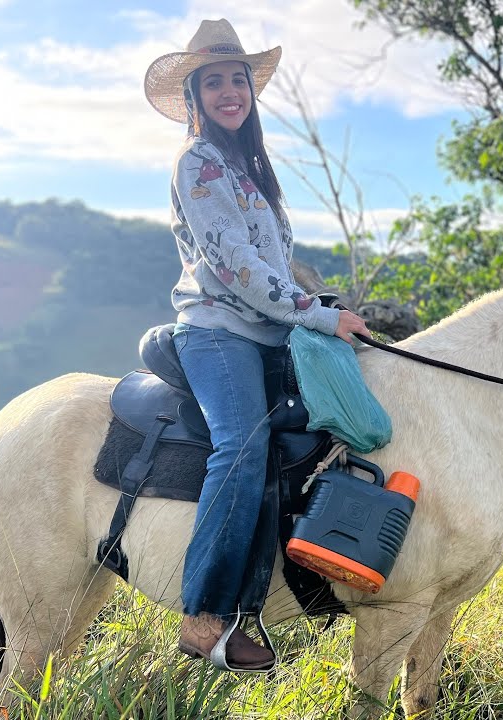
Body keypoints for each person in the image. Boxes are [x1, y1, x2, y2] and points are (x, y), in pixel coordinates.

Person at [143, 19, 370, 672]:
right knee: (241, 447)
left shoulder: (247, 169)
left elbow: (274, 264)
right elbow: (236, 266)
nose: (227, 91)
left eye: (235, 79)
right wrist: (319, 319)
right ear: (194, 98)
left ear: (249, 89)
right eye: (212, 81)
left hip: (272, 330)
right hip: (219, 334)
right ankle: (206, 614)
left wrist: (318, 308)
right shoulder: (199, 164)